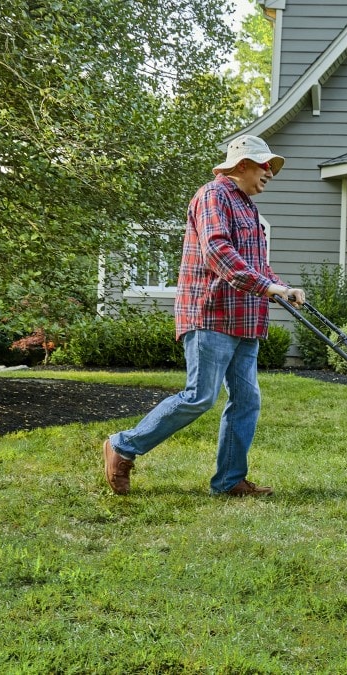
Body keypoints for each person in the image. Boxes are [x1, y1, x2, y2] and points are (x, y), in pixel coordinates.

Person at [102, 135, 305, 497]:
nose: (270, 174)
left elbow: (256, 265)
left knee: (246, 400)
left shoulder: (249, 208)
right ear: (241, 165)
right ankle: (123, 445)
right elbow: (218, 251)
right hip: (211, 315)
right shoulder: (213, 196)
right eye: (265, 166)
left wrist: (281, 286)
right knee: (200, 396)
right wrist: (267, 287)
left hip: (244, 320)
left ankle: (229, 481)